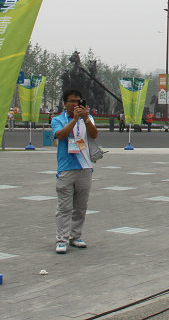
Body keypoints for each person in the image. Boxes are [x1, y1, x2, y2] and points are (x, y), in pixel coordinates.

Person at [51, 89, 98, 254]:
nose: (75, 104)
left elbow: (94, 134)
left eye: (78, 101)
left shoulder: (88, 118)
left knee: (80, 206)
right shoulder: (58, 119)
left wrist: (85, 118)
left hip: (85, 166)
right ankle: (61, 239)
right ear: (65, 103)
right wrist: (74, 120)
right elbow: (61, 135)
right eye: (71, 101)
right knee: (64, 207)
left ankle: (75, 236)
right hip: (66, 168)